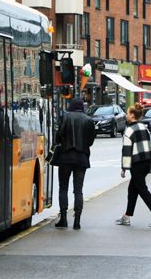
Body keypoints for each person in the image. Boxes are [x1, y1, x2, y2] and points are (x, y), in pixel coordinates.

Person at [117, 103, 151, 227]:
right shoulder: (144, 127)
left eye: (127, 113)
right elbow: (149, 145)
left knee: (142, 190)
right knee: (132, 189)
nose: (126, 115)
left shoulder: (129, 130)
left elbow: (127, 151)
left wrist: (124, 168)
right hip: (146, 161)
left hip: (136, 163)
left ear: (132, 115)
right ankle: (127, 216)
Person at [52, 97, 96, 230]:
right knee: (78, 190)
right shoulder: (88, 120)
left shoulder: (66, 117)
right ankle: (77, 221)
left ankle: (64, 218)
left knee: (63, 187)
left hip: (65, 157)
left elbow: (58, 136)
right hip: (82, 158)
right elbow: (90, 141)